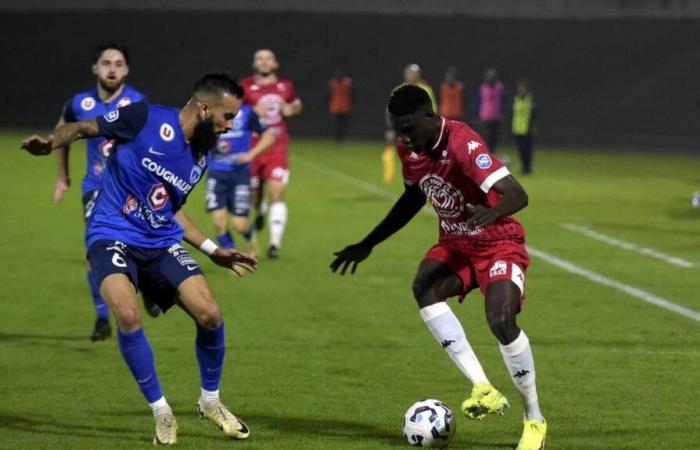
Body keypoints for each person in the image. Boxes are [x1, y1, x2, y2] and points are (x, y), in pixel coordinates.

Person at [22, 73, 257, 445]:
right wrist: (52, 142)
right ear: (205, 107)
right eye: (228, 117)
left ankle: (210, 402)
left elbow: (172, 211)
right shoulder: (145, 118)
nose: (231, 126)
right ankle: (161, 411)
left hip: (159, 241)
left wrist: (214, 251)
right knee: (129, 315)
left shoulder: (199, 156)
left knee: (210, 313)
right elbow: (83, 127)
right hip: (111, 234)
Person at [331, 85, 547, 450]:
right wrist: (368, 243)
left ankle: (534, 419)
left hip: (498, 242)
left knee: (500, 320)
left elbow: (517, 194)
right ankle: (483, 388)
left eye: (411, 128)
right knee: (423, 285)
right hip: (457, 245)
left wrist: (490, 212)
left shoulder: (462, 143)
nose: (405, 137)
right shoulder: (409, 150)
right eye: (399, 129)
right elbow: (413, 198)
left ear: (431, 117)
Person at [53, 41, 151, 342]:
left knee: (138, 245)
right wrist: (63, 176)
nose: (112, 68)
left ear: (127, 70)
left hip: (132, 188)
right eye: (106, 63)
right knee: (96, 251)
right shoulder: (79, 103)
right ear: (95, 68)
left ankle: (150, 287)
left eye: (119, 64)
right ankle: (101, 318)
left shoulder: (137, 103)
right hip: (96, 188)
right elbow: (61, 133)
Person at [241, 49, 302, 259]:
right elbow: (234, 113)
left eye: (268, 59)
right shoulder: (245, 86)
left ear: (275, 64)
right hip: (253, 147)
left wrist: (292, 109)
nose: (264, 62)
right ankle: (260, 210)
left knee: (277, 192)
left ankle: (275, 243)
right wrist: (250, 111)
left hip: (277, 148)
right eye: (260, 58)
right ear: (254, 64)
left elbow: (296, 104)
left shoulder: (286, 86)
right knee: (255, 197)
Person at [206, 103, 276, 256]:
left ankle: (251, 238)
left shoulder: (246, 113)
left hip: (240, 175)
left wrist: (250, 155)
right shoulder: (209, 111)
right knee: (219, 222)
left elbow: (270, 136)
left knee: (240, 225)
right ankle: (232, 255)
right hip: (216, 174)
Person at [382, 63, 437, 185]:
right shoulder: (398, 90)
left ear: (419, 75)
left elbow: (433, 109)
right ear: (405, 74)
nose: (412, 75)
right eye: (410, 73)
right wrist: (389, 129)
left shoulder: (426, 89)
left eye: (415, 73)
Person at [474, 67, 506, 152]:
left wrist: (502, 112)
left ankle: (491, 151)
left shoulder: (500, 87)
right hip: (485, 116)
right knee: (486, 136)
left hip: (496, 116)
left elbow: (503, 101)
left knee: (494, 137)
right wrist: (477, 114)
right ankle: (485, 151)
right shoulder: (483, 87)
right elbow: (478, 101)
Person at [511, 79, 537, 174]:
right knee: (520, 149)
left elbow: (534, 114)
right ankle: (524, 166)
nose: (521, 89)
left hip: (527, 128)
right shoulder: (517, 98)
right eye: (520, 87)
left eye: (523, 87)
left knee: (527, 149)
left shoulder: (530, 99)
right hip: (518, 128)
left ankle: (527, 167)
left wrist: (532, 127)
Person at [328, 69, 353, 142]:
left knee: (344, 124)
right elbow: (328, 94)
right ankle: (337, 138)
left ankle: (342, 137)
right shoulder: (333, 83)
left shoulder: (347, 83)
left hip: (345, 107)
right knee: (337, 124)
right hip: (335, 107)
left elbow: (352, 94)